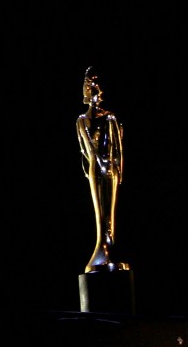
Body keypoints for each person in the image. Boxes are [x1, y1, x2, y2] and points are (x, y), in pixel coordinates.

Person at [77, 66, 128, 273]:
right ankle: (102, 248)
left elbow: (117, 149)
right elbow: (85, 151)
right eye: (89, 84)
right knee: (100, 211)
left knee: (110, 212)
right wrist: (94, 166)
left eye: (96, 84)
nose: (93, 89)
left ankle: (109, 247)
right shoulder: (82, 120)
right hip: (95, 170)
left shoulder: (109, 118)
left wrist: (116, 170)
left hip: (110, 170)